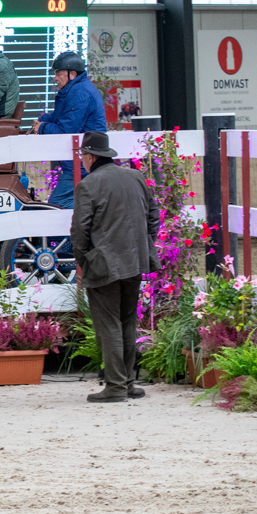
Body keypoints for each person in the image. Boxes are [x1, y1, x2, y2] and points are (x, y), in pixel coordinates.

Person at [70, 131, 160, 403]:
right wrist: (141, 245)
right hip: (135, 261)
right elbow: (153, 218)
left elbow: (79, 230)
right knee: (127, 320)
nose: (83, 161)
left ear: (90, 156)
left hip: (104, 263)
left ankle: (116, 386)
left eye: (83, 156)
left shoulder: (89, 185)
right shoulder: (136, 177)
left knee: (108, 324)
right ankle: (129, 382)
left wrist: (83, 259)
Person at [29, 51, 107, 209]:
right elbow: (60, 117)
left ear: (72, 74)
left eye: (58, 73)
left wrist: (41, 127)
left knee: (56, 208)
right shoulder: (75, 90)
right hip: (81, 162)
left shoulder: (79, 93)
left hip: (81, 165)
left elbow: (65, 131)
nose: (55, 78)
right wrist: (43, 120)